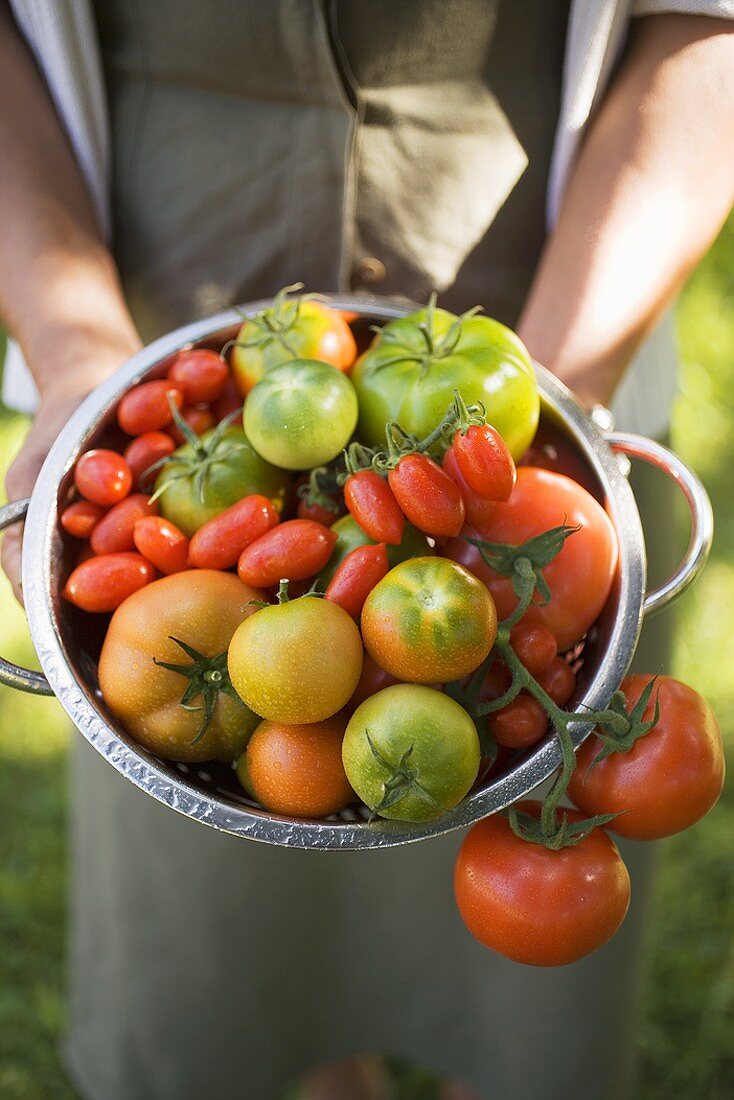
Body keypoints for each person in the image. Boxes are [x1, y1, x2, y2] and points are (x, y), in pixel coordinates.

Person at [1, 3, 733, 1098]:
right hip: (165, 316)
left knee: (520, 975)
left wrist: (560, 392)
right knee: (230, 917)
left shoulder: (534, 531)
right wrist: (74, 352)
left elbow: (705, 24)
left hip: (548, 287)